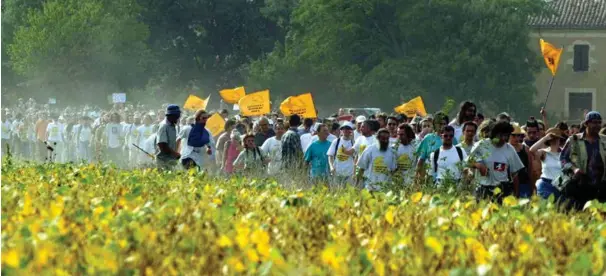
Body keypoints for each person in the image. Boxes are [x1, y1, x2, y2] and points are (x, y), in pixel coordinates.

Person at [468, 122, 525, 203]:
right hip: (483, 189)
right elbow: (467, 162)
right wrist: (478, 165)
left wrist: (516, 195)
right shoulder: (481, 145)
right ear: (494, 134)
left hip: (502, 189)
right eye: (500, 135)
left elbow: (515, 174)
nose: (502, 139)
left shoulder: (509, 149)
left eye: (505, 136)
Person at [560, 111, 606, 207]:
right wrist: (574, 169)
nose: (597, 125)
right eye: (594, 122)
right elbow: (563, 159)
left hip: (600, 186)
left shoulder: (604, 140)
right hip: (579, 185)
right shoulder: (574, 140)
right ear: (586, 124)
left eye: (599, 122)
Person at [530, 128, 564, 200]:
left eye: (556, 138)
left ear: (559, 139)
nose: (554, 141)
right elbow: (532, 150)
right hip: (546, 184)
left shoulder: (564, 152)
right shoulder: (544, 152)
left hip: (561, 185)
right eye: (552, 139)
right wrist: (545, 138)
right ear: (548, 141)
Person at [327, 121, 356, 187]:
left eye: (348, 128)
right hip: (337, 172)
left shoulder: (354, 142)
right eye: (344, 128)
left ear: (351, 131)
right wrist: (331, 167)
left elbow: (355, 157)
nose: (345, 130)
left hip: (349, 173)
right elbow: (330, 155)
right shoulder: (336, 141)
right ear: (341, 130)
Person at [509, 123, 533, 198]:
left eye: (518, 135)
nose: (517, 138)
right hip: (509, 184)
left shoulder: (525, 149)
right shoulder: (504, 149)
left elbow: (530, 169)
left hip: (524, 184)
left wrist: (532, 186)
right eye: (513, 135)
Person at [155, 105, 181, 170]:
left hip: (170, 160)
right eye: (176, 116)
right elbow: (162, 145)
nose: (178, 118)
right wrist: (175, 154)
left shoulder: (173, 126)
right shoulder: (164, 126)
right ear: (170, 116)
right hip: (163, 161)